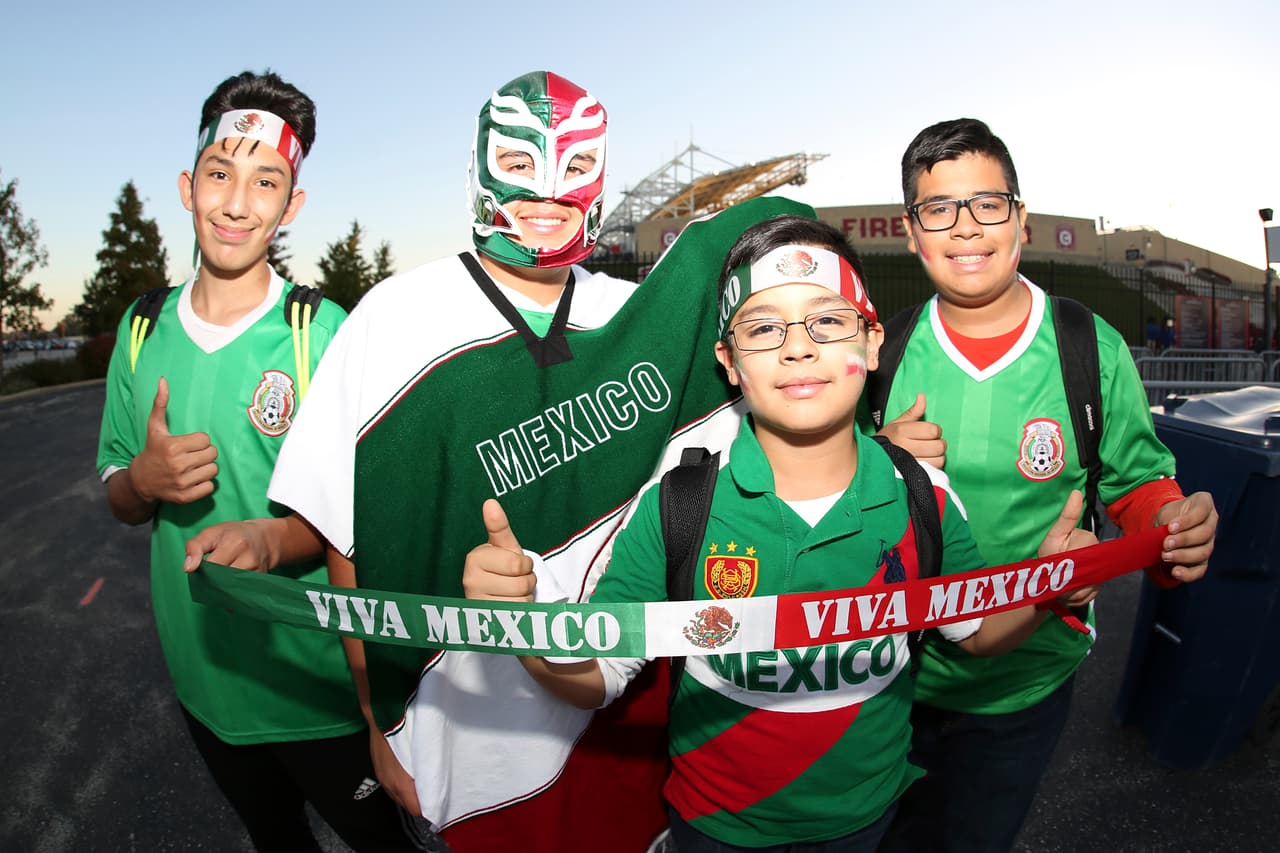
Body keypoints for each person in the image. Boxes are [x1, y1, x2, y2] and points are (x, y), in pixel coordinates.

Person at [260, 70, 811, 850]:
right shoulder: (390, 321)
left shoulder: (638, 318)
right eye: (521, 162)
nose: (549, 189)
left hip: (622, 731)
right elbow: (347, 540)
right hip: (457, 743)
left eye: (576, 165)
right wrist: (377, 721)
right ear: (478, 168)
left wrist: (880, 449)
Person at [462, 215, 1099, 851]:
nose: (799, 348)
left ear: (872, 342)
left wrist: (1049, 586)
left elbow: (978, 631)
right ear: (729, 361)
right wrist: (526, 627)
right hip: (715, 828)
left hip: (870, 822)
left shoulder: (922, 496)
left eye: (828, 321)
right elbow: (598, 676)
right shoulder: (678, 505)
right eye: (764, 328)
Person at [872, 117, 1219, 852]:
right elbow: (815, 494)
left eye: (987, 203)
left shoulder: (1089, 346)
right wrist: (878, 459)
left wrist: (1171, 522)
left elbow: (1137, 483)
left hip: (1026, 682)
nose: (966, 226)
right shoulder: (880, 355)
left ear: (1020, 218)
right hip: (887, 679)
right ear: (911, 232)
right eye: (939, 208)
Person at [96, 70, 415, 852]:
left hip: (321, 691)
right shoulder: (140, 330)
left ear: (290, 205)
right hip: (203, 685)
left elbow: (363, 522)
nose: (237, 203)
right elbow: (118, 493)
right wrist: (141, 481)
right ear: (188, 185)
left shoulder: (322, 333)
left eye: (265, 181)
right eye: (220, 174)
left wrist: (274, 540)